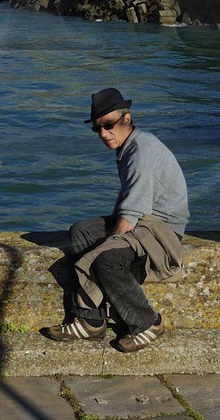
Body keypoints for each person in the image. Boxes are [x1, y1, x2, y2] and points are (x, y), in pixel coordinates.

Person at [40, 87, 189, 353]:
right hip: (143, 221)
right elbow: (127, 205)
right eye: (97, 128)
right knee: (81, 231)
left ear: (127, 119)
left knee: (108, 260)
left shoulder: (141, 154)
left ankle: (147, 323)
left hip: (161, 231)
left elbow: (129, 219)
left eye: (108, 125)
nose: (103, 134)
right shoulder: (129, 145)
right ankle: (91, 320)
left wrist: (106, 247)